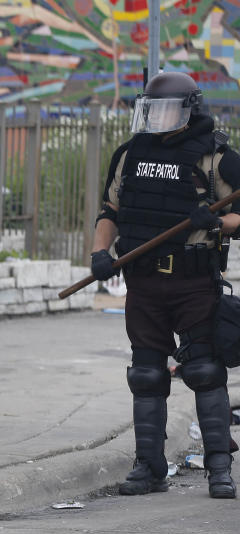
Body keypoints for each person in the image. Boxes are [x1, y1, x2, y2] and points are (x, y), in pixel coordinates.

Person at [90, 71, 240, 499]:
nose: (157, 117)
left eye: (166, 109)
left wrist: (217, 221)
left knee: (204, 371)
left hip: (194, 282)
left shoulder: (218, 158)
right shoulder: (131, 154)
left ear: (189, 110)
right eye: (151, 109)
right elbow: (110, 211)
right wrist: (101, 254)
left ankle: (219, 468)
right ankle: (149, 467)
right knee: (146, 375)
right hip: (144, 283)